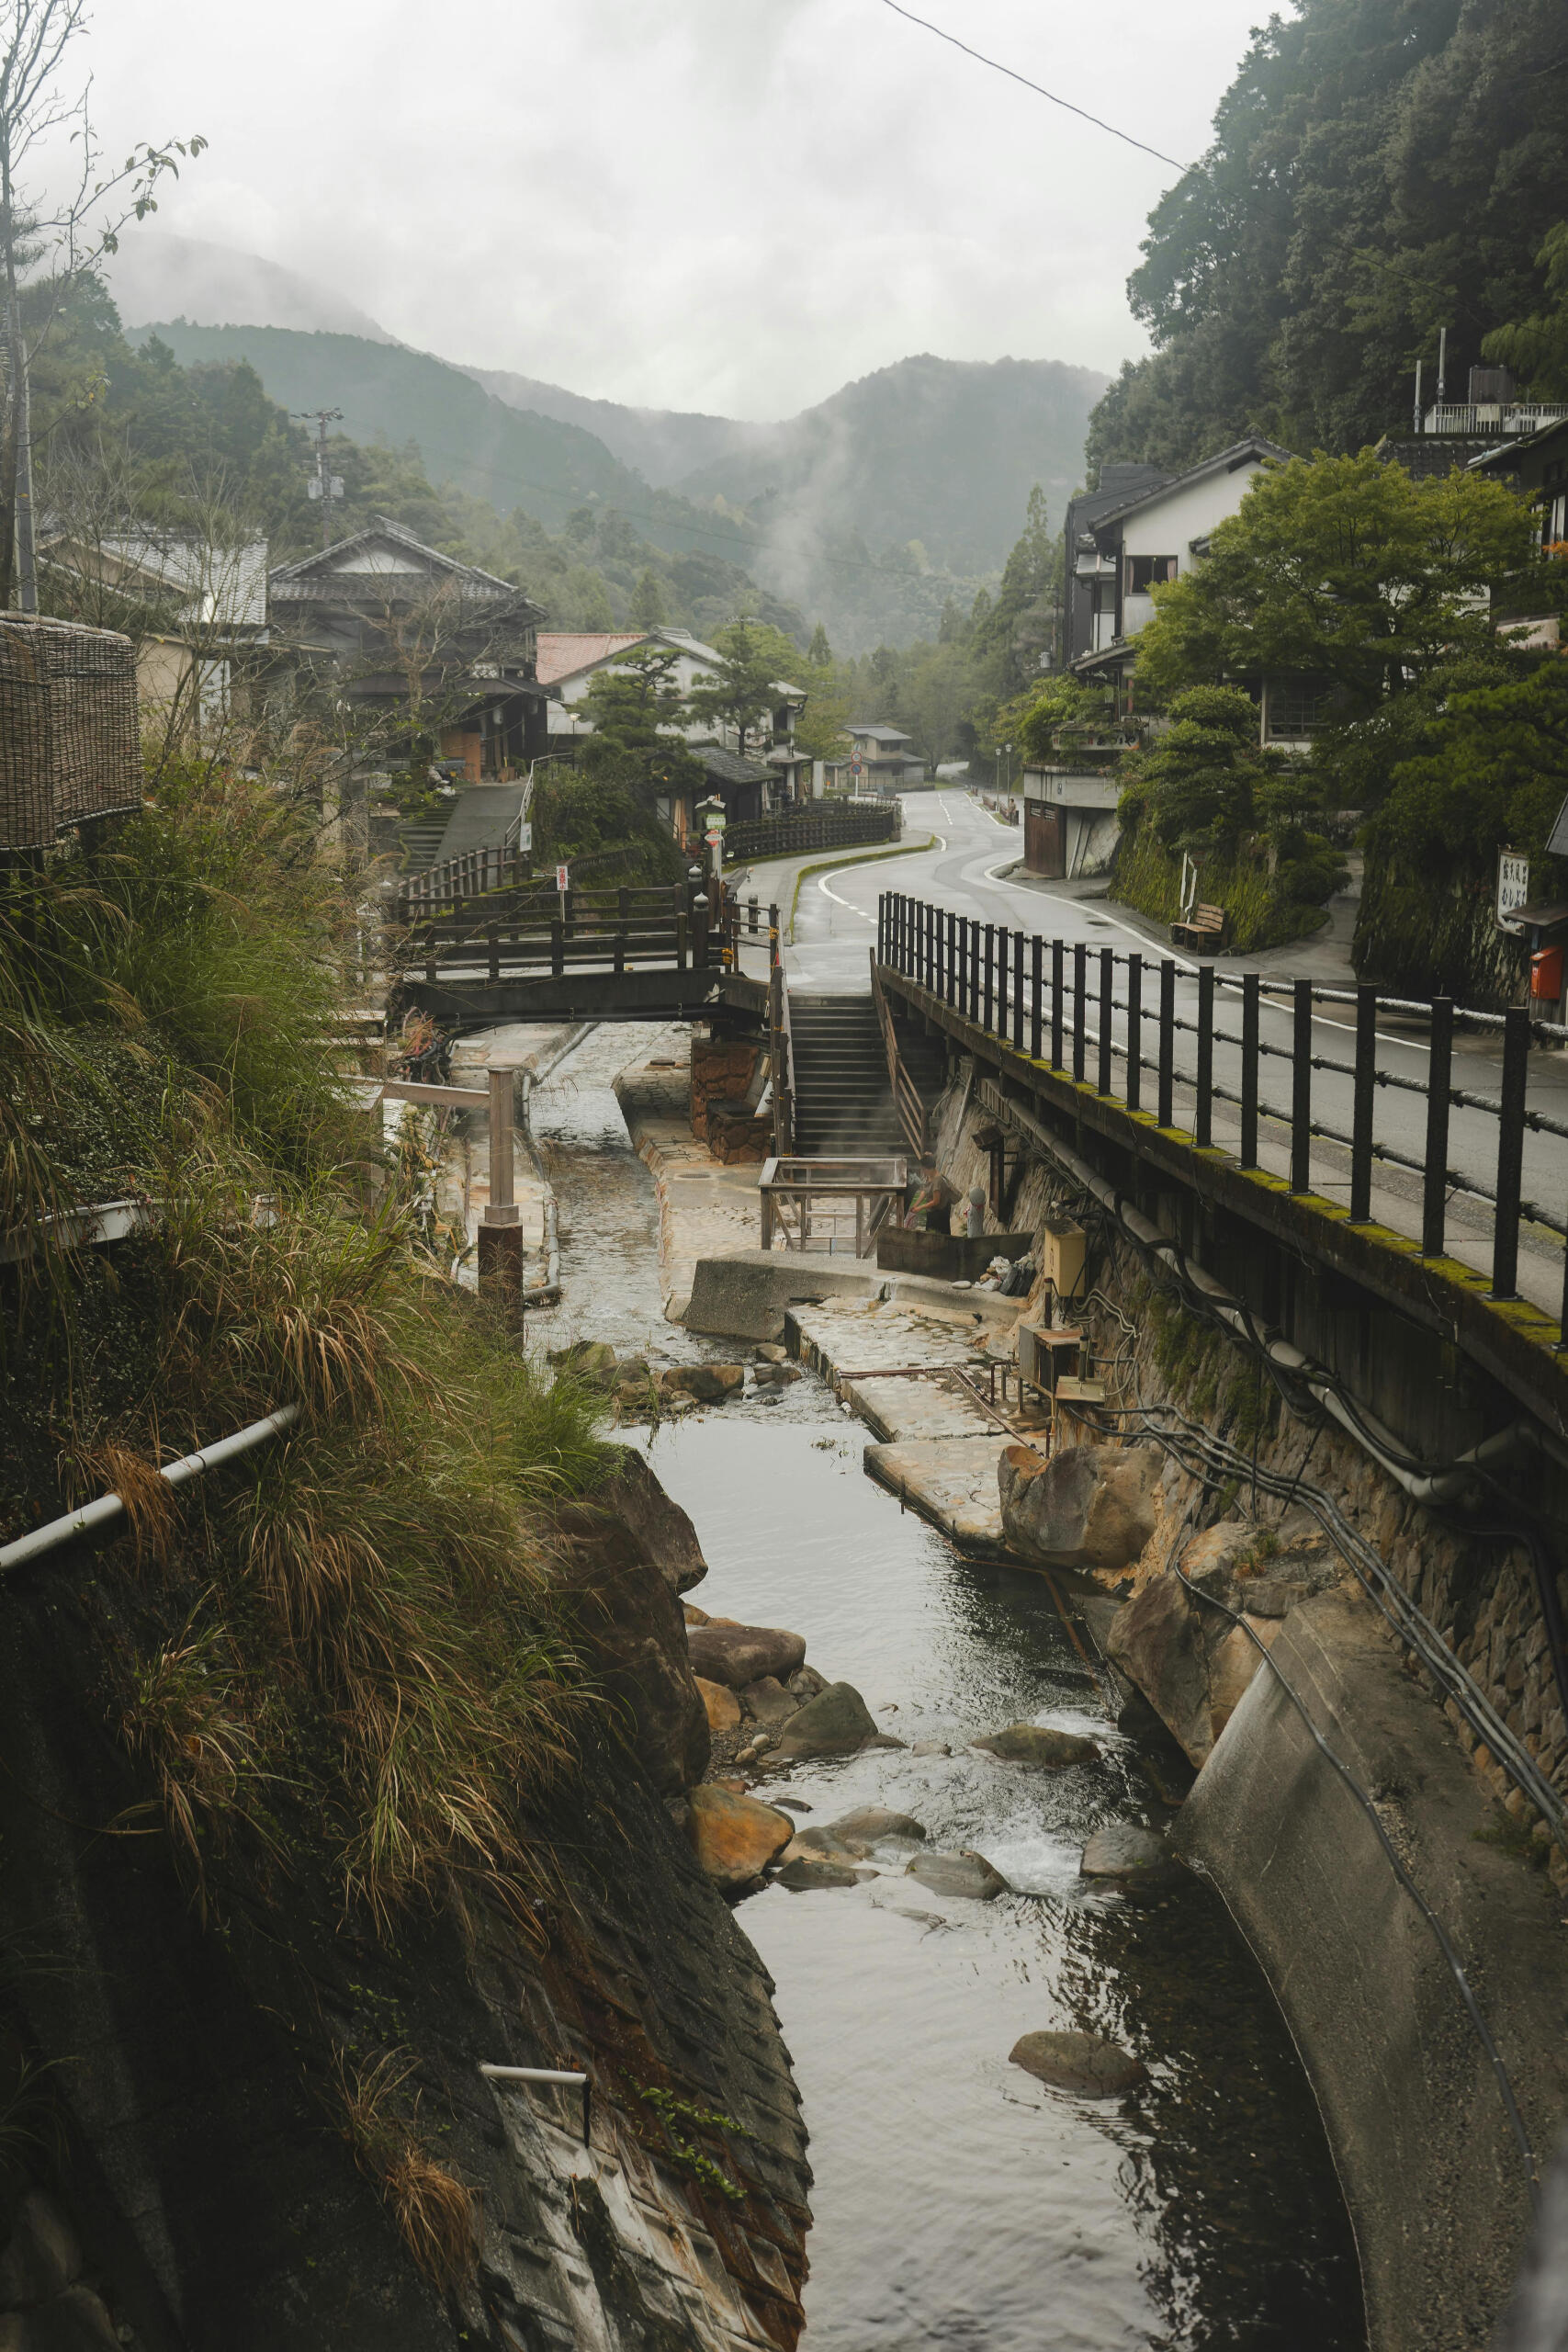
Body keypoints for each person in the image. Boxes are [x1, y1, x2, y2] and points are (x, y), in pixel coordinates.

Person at [904, 1156, 952, 1232]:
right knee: (929, 1232)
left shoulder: (937, 1181)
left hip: (940, 1212)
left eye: (923, 1169)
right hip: (932, 1211)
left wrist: (920, 1207)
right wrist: (915, 1205)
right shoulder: (930, 1176)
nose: (923, 1171)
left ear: (930, 1168)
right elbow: (925, 1191)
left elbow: (936, 1201)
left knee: (938, 1234)